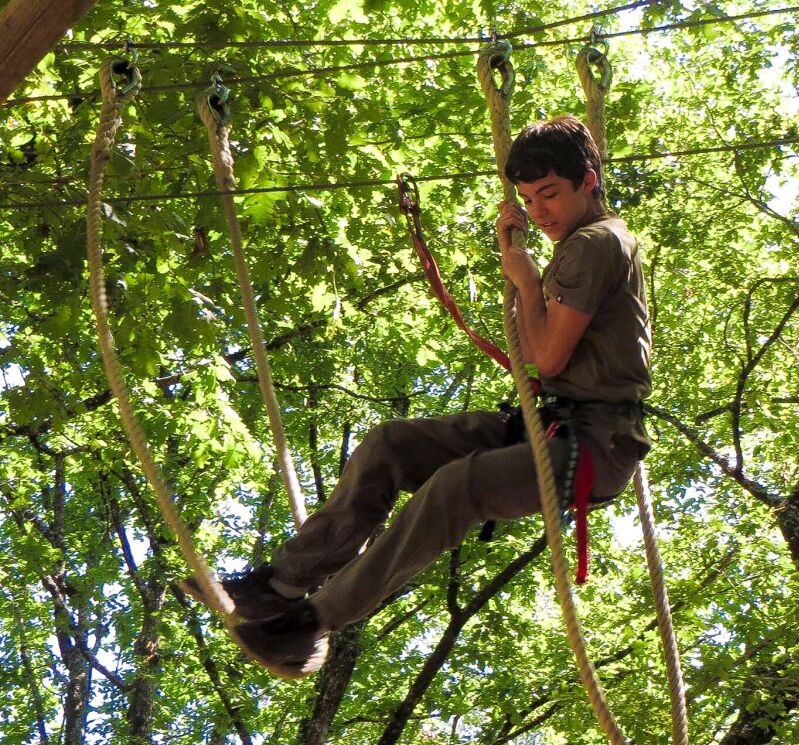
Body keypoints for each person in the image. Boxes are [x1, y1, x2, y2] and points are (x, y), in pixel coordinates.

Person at [194, 115, 652, 678]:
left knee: (457, 486)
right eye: (529, 200)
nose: (539, 213)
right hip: (555, 423)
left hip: (593, 447)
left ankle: (310, 622)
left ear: (588, 180)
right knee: (393, 444)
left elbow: (547, 358)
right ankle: (283, 584)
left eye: (550, 195)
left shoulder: (595, 245)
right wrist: (523, 278)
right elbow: (541, 351)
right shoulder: (583, 242)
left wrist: (526, 282)